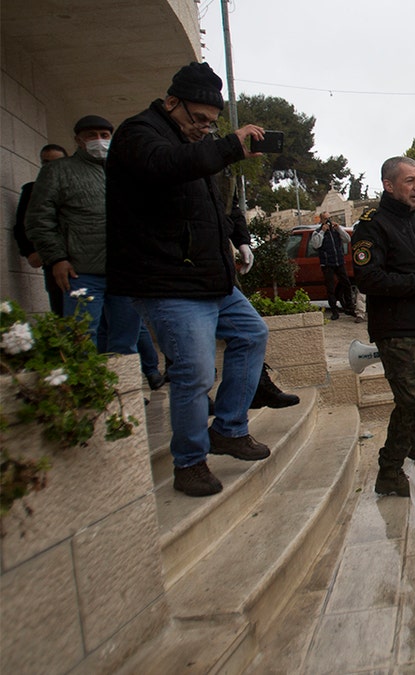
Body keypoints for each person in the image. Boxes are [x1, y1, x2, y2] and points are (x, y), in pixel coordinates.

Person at [106, 61, 272, 497]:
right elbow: (166, 166)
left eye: (212, 123)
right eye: (197, 119)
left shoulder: (191, 145)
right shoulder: (138, 135)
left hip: (209, 278)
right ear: (171, 102)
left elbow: (208, 212)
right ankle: (189, 462)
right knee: (194, 373)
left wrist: (234, 248)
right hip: (164, 280)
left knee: (252, 334)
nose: (204, 129)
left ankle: (230, 428)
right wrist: (227, 147)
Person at [351, 157, 415, 501]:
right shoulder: (372, 226)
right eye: (409, 181)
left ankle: (390, 472)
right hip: (395, 332)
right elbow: (366, 278)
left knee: (413, 406)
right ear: (389, 185)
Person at [25, 116, 140, 355]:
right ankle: (87, 392)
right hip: (81, 272)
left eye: (104, 135)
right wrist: (56, 258)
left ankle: (123, 391)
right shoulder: (58, 171)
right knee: (80, 339)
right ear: (78, 140)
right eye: (91, 135)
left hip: (125, 272)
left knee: (126, 340)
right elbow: (39, 219)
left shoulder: (124, 170)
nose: (99, 140)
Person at [13, 144, 68, 315]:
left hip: (85, 261)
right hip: (53, 261)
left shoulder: (77, 187)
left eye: (57, 163)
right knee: (61, 312)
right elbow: (22, 225)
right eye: (46, 163)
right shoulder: (32, 190)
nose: (51, 168)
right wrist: (30, 252)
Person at [315, 211, 353, 320]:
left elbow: (347, 239)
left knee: (346, 284)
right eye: (326, 219)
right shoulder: (317, 232)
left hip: (339, 262)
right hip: (327, 264)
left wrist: (339, 228)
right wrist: (322, 231)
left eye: (329, 218)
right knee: (330, 288)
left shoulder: (336, 231)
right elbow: (316, 244)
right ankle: (334, 311)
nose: (328, 221)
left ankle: (349, 307)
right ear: (321, 220)